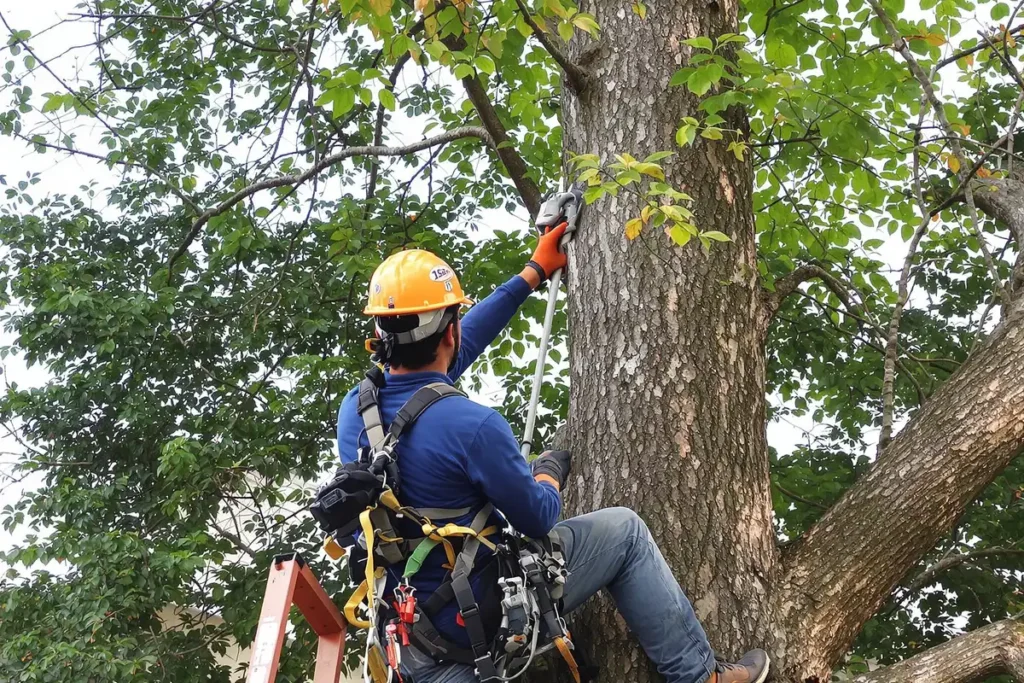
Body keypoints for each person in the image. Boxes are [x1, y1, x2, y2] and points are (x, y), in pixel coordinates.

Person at [336, 226, 770, 683]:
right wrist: (546, 474)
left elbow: (438, 371)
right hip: (478, 626)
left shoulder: (357, 412)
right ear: (450, 332)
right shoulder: (472, 426)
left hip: (412, 644)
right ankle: (701, 676)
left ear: (381, 333)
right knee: (625, 532)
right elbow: (539, 518)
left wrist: (533, 273)